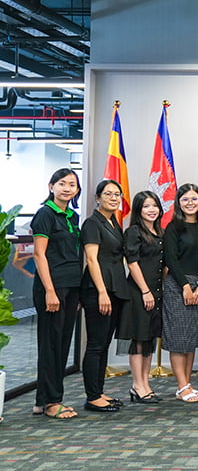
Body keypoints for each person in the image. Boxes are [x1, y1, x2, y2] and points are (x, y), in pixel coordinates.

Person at [31, 168, 82, 419]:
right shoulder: (45, 214)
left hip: (71, 287)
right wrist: (50, 291)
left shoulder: (73, 217)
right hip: (52, 287)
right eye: (62, 183)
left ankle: (43, 401)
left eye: (72, 184)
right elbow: (39, 255)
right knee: (51, 345)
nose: (67, 188)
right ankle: (52, 402)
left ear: (77, 190)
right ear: (51, 186)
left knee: (61, 345)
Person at [80, 179, 130, 413]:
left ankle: (98, 391)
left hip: (114, 288)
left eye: (117, 194)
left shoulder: (112, 223)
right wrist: (101, 292)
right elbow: (91, 260)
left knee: (103, 344)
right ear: (97, 198)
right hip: (98, 290)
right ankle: (92, 397)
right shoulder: (92, 223)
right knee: (96, 345)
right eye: (108, 194)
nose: (113, 197)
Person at [162, 183, 198, 403]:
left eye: (194, 199)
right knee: (179, 338)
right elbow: (170, 259)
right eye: (185, 200)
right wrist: (185, 286)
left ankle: (187, 384)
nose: (190, 203)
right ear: (179, 203)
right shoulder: (173, 227)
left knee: (191, 338)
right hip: (177, 286)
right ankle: (181, 385)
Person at [119, 190, 165, 404]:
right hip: (139, 292)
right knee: (138, 338)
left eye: (154, 205)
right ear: (138, 209)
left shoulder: (159, 232)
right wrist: (145, 291)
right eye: (146, 206)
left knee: (148, 339)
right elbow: (132, 262)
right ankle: (137, 384)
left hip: (156, 292)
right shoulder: (134, 232)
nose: (151, 210)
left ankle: (145, 383)